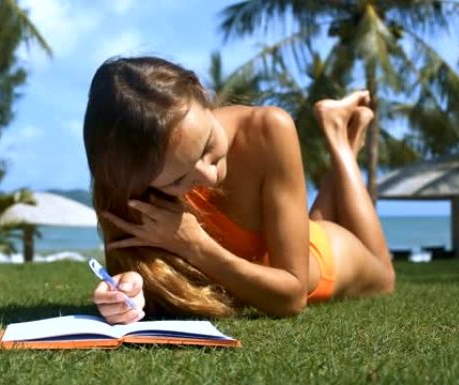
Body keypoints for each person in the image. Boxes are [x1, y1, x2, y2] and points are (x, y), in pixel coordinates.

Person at [83, 56, 395, 324]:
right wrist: (130, 288)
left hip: (320, 256)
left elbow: (291, 297)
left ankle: (340, 140)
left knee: (384, 277)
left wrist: (196, 245)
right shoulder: (129, 182)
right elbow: (141, 276)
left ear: (203, 96)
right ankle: (340, 131)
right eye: (177, 181)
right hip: (285, 234)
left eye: (207, 146)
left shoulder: (266, 129)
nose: (208, 176)